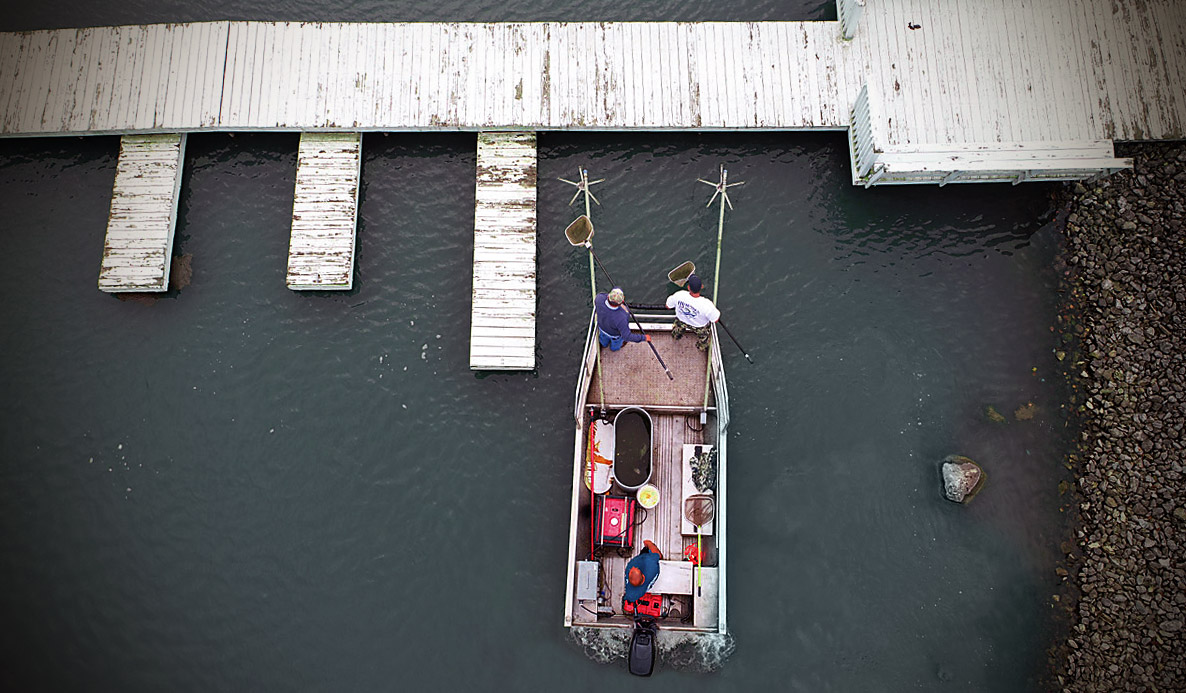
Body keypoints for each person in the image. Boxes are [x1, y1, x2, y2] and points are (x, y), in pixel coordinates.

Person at [665, 274, 720, 351]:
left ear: (688, 287)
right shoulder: (707, 304)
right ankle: (701, 347)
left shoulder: (679, 295)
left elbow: (668, 306)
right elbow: (715, 319)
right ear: (701, 287)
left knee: (677, 329)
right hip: (700, 326)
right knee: (703, 337)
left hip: (681, 321)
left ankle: (676, 336)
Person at [623, 539, 663, 607]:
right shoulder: (651, 567)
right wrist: (648, 543)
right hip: (648, 560)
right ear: (643, 576)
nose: (632, 568)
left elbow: (629, 598)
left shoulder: (631, 595)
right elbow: (659, 555)